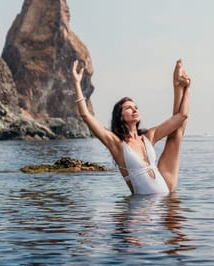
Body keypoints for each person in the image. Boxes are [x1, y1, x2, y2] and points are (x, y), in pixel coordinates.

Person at [72, 59, 191, 195]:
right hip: (142, 209)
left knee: (176, 134)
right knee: (176, 134)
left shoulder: (148, 136)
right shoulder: (117, 145)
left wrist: (188, 88)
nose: (135, 110)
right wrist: (76, 83)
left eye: (136, 107)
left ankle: (178, 86)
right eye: (129, 108)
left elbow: (182, 116)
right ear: (120, 116)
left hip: (166, 192)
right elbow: (86, 116)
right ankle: (178, 85)